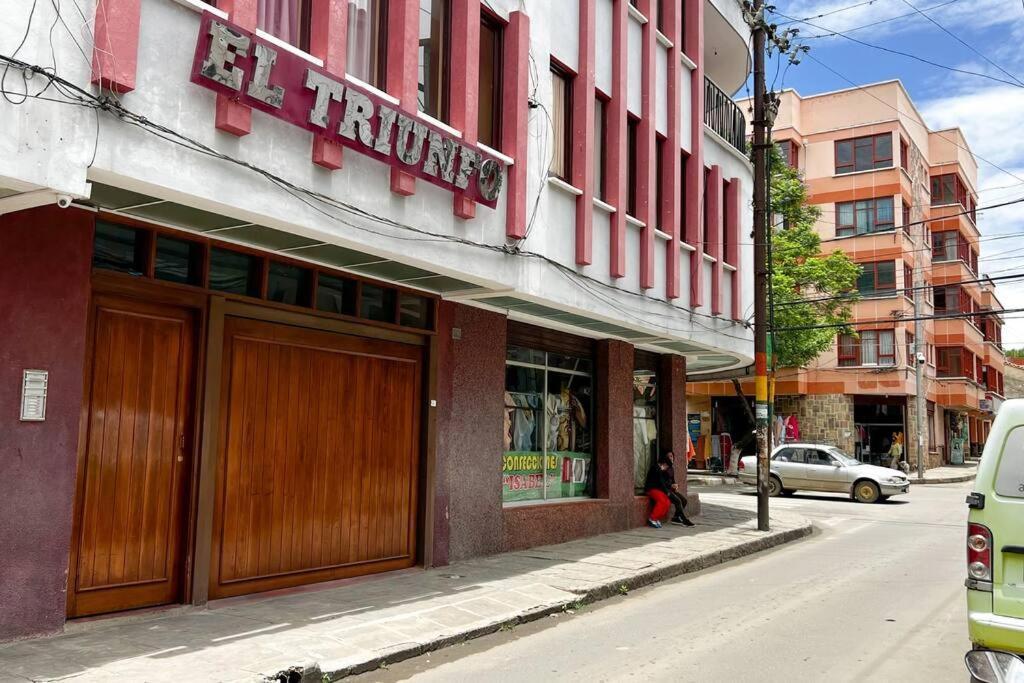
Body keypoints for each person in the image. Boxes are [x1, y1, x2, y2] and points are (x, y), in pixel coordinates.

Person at [645, 452, 695, 528]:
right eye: (666, 466)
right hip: (652, 489)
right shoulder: (656, 468)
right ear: (663, 464)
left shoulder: (664, 469)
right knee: (663, 501)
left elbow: (668, 481)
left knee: (668, 502)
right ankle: (652, 518)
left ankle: (657, 518)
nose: (666, 468)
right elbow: (661, 483)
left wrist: (673, 487)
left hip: (661, 489)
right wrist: (667, 492)